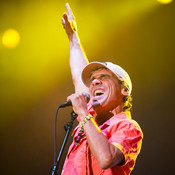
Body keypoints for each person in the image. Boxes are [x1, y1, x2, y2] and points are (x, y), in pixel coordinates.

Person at [61, 3, 143, 175]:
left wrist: (83, 113)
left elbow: (107, 159)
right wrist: (72, 37)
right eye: (92, 80)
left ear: (124, 90)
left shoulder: (127, 127)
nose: (95, 83)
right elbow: (78, 73)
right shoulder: (90, 116)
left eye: (104, 77)